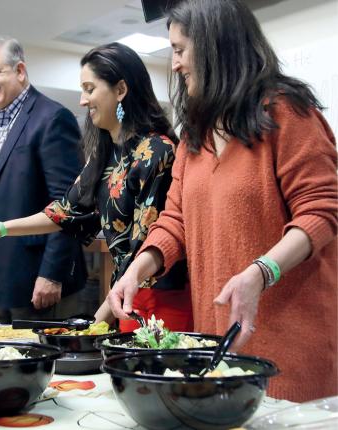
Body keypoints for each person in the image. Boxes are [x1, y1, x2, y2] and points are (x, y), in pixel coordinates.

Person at [107, 0, 337, 402]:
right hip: (223, 341)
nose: (175, 64)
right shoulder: (194, 135)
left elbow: (321, 210)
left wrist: (261, 271)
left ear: (215, 47)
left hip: (292, 346)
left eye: (180, 50)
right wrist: (135, 270)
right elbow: (174, 222)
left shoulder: (287, 113)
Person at [0, 42, 193, 332]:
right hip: (125, 296)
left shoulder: (157, 151)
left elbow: (141, 250)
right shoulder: (106, 153)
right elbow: (64, 212)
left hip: (159, 299)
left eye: (89, 89)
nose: (82, 100)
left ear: (120, 90)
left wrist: (96, 323)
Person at [0, 35, 87, 323]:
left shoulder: (52, 118)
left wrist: (52, 274)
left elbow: (68, 206)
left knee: (40, 365)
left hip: (36, 282)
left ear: (19, 71)